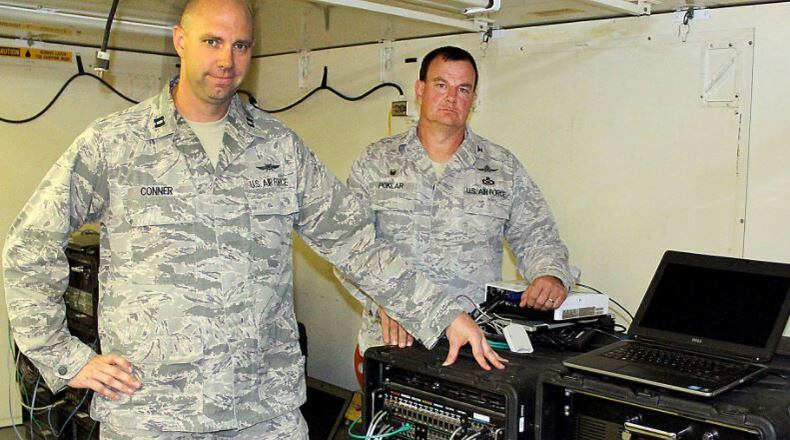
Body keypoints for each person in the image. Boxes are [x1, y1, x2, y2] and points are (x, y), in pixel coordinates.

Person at [2, 4, 504, 439]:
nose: (227, 59)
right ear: (181, 40)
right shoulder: (115, 144)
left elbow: (355, 242)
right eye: (212, 41)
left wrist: (440, 312)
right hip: (152, 411)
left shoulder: (277, 147)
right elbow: (29, 246)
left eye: (241, 45)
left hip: (264, 414)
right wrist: (65, 358)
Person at [337, 46, 574, 353]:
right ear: (420, 90)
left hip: (473, 340)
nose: (451, 97)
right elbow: (345, 245)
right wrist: (383, 301)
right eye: (441, 85)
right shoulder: (376, 161)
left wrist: (549, 274)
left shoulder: (501, 167)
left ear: (473, 99)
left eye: (463, 89)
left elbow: (537, 235)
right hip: (395, 338)